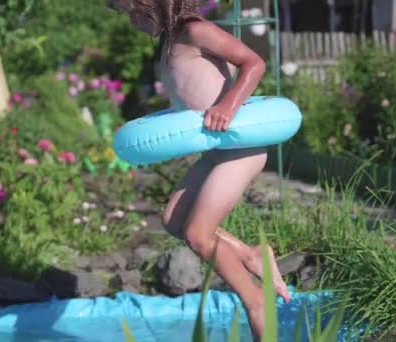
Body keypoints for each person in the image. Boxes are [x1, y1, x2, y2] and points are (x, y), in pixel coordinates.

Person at [107, 1, 291, 339]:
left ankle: (255, 301)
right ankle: (252, 254)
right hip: (216, 152)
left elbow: (254, 62)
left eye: (133, 12)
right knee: (174, 221)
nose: (132, 21)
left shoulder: (195, 30)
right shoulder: (168, 44)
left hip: (240, 150)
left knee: (197, 234)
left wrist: (227, 105)